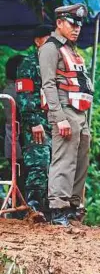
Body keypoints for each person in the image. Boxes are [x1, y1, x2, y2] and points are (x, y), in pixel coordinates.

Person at [39, 4, 93, 226]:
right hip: (64, 109)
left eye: (79, 24)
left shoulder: (71, 48)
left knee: (81, 157)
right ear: (59, 23)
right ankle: (58, 208)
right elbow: (48, 84)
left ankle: (72, 206)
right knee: (64, 158)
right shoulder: (50, 48)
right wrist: (59, 116)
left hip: (80, 111)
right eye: (72, 23)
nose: (77, 28)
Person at [16, 25, 54, 219]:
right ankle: (34, 207)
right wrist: (33, 121)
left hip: (54, 123)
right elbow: (24, 96)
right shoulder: (29, 65)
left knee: (55, 168)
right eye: (47, 41)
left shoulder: (56, 63)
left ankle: (50, 211)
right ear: (37, 41)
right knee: (39, 164)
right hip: (36, 124)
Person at [2, 55, 25, 202]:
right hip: (18, 144)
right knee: (22, 180)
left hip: (14, 143)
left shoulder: (9, 89)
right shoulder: (14, 91)